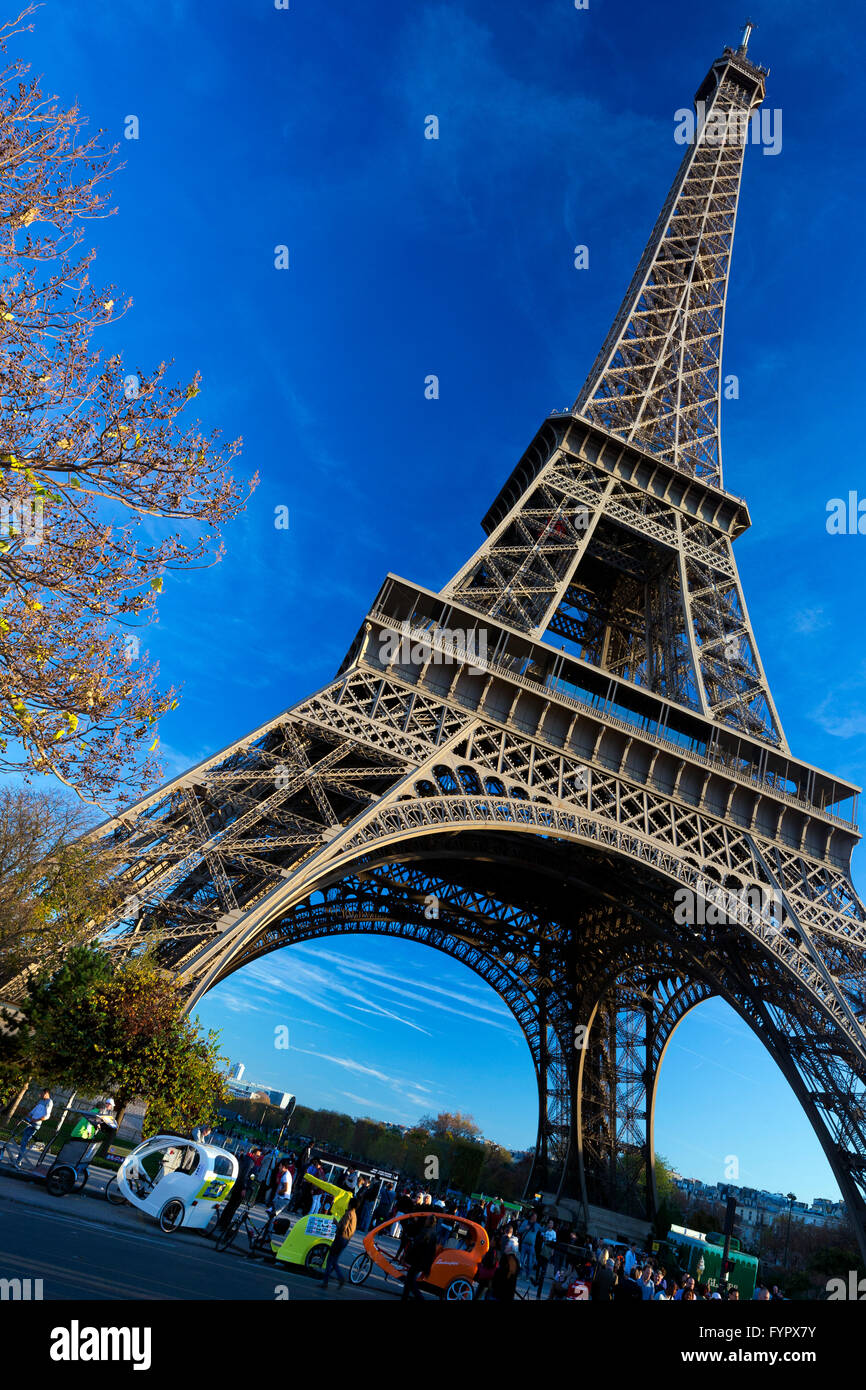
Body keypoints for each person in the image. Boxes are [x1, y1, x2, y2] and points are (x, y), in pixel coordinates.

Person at [321, 1198, 357, 1292]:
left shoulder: (348, 1214)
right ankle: (339, 1279)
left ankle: (326, 1282)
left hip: (340, 1238)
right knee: (334, 1260)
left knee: (330, 1260)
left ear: (350, 1204)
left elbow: (342, 1227)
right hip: (346, 1240)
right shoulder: (354, 1215)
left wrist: (336, 1223)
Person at [401, 1216, 438, 1300]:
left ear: (430, 1222)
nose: (425, 1221)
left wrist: (405, 1257)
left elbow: (415, 1245)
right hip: (423, 1261)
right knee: (409, 1280)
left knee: (411, 1281)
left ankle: (420, 1298)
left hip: (418, 1260)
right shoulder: (433, 1233)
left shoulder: (425, 1232)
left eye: (427, 1219)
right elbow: (432, 1251)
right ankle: (404, 1298)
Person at [15, 1088, 53, 1164]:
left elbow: (47, 1116)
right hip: (31, 1122)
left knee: (24, 1141)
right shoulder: (41, 1101)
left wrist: (36, 1120)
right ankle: (19, 1158)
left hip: (35, 1124)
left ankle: (19, 1159)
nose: (40, 1095)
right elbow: (33, 1111)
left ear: (46, 1093)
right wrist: (24, 1118)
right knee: (24, 1141)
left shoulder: (49, 1102)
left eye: (42, 1093)